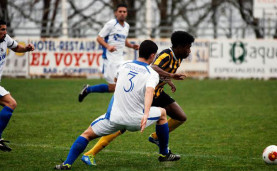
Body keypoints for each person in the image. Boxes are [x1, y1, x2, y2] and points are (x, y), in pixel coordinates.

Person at [54, 40, 180, 170]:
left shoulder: (124, 65)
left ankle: (66, 164)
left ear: (139, 51)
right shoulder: (152, 73)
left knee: (86, 135)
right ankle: (164, 153)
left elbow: (116, 80)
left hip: (114, 119)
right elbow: (149, 92)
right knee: (163, 114)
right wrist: (146, 113)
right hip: (136, 121)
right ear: (153, 56)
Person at [81, 31, 194, 166]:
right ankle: (90, 153)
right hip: (147, 93)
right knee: (121, 126)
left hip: (158, 92)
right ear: (179, 47)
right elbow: (153, 67)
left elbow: (160, 73)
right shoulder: (166, 55)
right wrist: (171, 75)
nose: (189, 51)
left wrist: (168, 80)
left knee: (180, 116)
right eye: (187, 47)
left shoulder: (178, 57)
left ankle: (157, 138)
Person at [78, 3, 139, 102]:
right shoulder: (111, 24)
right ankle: (88, 90)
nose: (122, 14)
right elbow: (99, 38)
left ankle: (125, 106)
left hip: (119, 60)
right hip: (109, 60)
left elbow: (123, 40)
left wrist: (132, 46)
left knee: (123, 83)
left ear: (127, 13)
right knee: (113, 88)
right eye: (120, 11)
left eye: (124, 12)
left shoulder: (126, 26)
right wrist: (108, 46)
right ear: (116, 13)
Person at [0, 20, 35, 152]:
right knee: (11, 103)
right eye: (2, 29)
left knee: (10, 104)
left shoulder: (5, 39)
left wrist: (25, 48)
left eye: (5, 29)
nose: (5, 32)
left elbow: (16, 47)